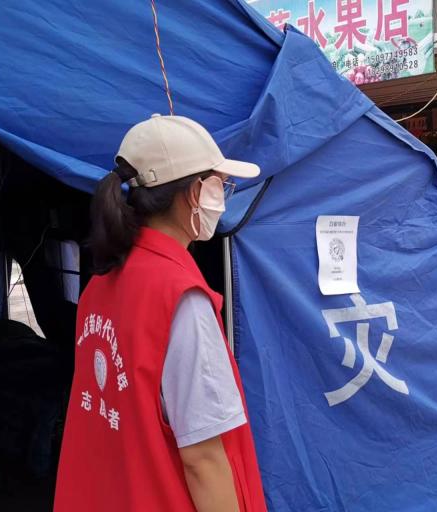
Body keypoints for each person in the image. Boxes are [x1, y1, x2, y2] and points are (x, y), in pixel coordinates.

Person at [55, 114, 267, 512]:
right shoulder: (180, 297)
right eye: (220, 184)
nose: (223, 197)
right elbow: (203, 459)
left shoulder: (100, 286)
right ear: (194, 192)